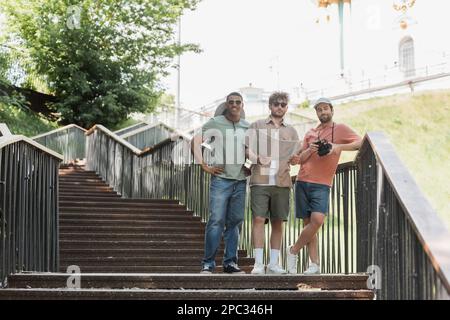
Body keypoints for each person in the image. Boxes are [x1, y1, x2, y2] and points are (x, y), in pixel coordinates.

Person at [287, 97, 362, 274]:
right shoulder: (310, 133)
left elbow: (361, 142)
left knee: (317, 221)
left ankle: (293, 250)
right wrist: (309, 150)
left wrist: (337, 147)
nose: (323, 112)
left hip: (322, 184)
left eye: (325, 108)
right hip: (302, 181)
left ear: (332, 110)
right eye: (319, 110)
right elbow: (299, 160)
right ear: (317, 113)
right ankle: (314, 264)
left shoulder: (340, 129)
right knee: (308, 224)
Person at [191, 92, 250, 274]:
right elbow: (196, 140)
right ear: (227, 104)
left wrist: (250, 166)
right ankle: (208, 263)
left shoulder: (247, 126)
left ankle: (230, 263)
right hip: (221, 180)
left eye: (238, 102)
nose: (234, 105)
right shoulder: (216, 122)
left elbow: (250, 151)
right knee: (216, 221)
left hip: (240, 181)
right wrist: (204, 165)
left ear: (242, 104)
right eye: (231, 102)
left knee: (235, 222)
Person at [246, 92, 300, 274]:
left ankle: (274, 264)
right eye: (276, 104)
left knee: (278, 222)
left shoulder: (291, 131)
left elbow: (295, 157)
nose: (280, 107)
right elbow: (247, 150)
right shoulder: (257, 125)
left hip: (282, 181)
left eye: (283, 104)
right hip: (260, 180)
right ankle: (258, 264)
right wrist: (257, 158)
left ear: (286, 107)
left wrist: (295, 159)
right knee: (258, 219)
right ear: (270, 106)